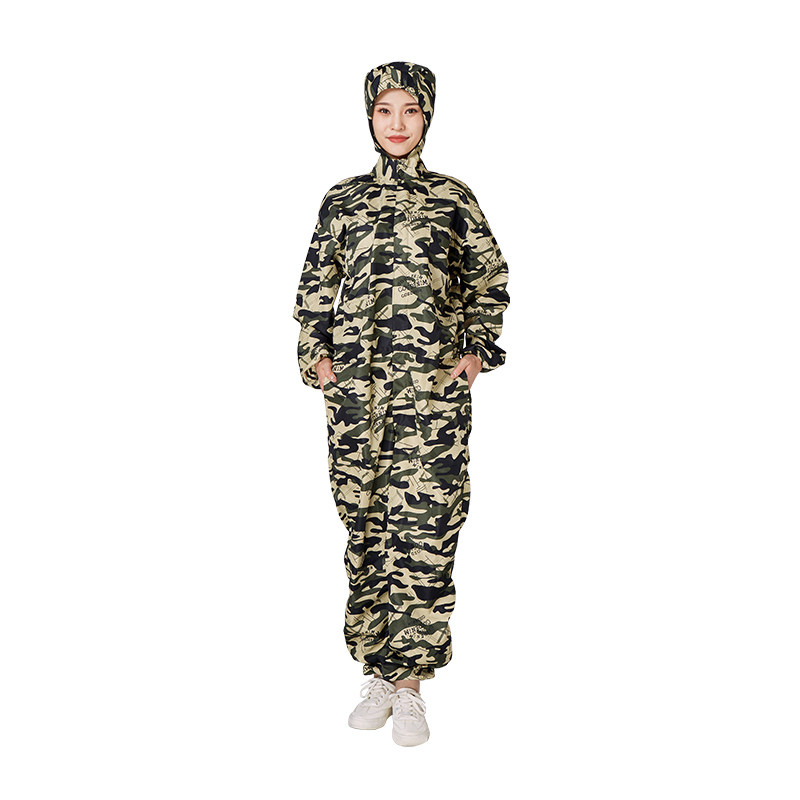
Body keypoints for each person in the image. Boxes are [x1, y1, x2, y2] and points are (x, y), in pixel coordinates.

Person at [292, 61, 510, 746]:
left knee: (427, 529)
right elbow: (314, 289)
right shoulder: (343, 201)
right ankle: (377, 672)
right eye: (385, 110)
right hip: (356, 399)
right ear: (369, 116)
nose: (397, 123)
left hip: (432, 400)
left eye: (410, 111)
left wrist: (475, 351)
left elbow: (488, 279)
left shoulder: (453, 199)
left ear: (427, 117)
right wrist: (318, 359)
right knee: (364, 525)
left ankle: (412, 685)